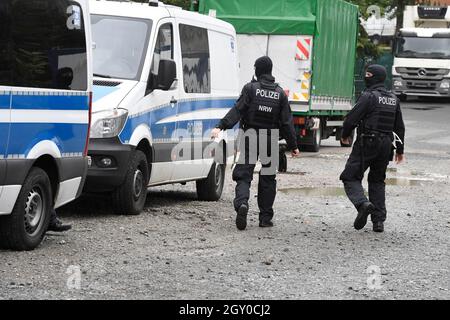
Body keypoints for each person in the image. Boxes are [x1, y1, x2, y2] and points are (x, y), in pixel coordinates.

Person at [211, 56, 300, 230]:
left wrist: (220, 126)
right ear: (270, 70)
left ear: (257, 70)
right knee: (268, 178)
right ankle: (265, 219)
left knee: (244, 175)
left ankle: (242, 204)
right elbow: (287, 122)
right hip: (271, 138)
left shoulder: (250, 89)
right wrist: (293, 145)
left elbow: (237, 111)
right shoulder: (280, 93)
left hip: (250, 135)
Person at [340, 64, 405, 233]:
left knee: (350, 176)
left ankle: (363, 204)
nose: (366, 77)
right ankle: (378, 222)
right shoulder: (393, 98)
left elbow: (351, 119)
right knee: (377, 180)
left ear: (375, 77)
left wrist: (345, 134)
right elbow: (400, 127)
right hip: (386, 145)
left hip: (367, 141)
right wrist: (400, 150)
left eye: (368, 75)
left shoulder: (369, 96)